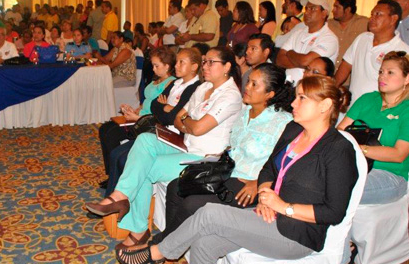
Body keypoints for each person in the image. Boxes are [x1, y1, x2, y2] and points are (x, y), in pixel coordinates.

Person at [116, 75, 357, 264]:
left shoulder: (338, 150)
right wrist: (265, 195)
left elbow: (334, 212)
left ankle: (158, 252)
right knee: (205, 243)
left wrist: (284, 207)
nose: (294, 103)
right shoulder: (294, 130)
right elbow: (268, 170)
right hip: (268, 214)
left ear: (325, 106)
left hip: (297, 234)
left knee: (210, 213)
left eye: (302, 98)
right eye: (296, 97)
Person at [86, 47, 243, 250]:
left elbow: (197, 126)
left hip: (205, 157)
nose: (205, 66)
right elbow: (179, 120)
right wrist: (187, 121)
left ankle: (138, 229)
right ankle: (120, 196)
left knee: (143, 168)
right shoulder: (203, 88)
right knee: (144, 140)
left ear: (227, 67)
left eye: (211, 62)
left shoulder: (230, 96)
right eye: (205, 62)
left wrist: (187, 121)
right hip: (186, 144)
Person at [150, 63, 294, 248]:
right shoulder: (244, 112)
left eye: (254, 85)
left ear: (270, 94)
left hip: (247, 183)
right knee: (176, 186)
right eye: (248, 81)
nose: (246, 87)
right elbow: (235, 146)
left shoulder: (283, 123)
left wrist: (259, 184)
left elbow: (285, 165)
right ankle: (168, 243)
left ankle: (162, 247)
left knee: (192, 203)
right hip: (227, 172)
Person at [337, 51, 409, 264]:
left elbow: (398, 154)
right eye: (381, 72)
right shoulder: (368, 100)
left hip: (389, 177)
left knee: (338, 189)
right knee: (325, 182)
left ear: (407, 79)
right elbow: (340, 133)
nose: (382, 77)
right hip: (354, 168)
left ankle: (340, 263)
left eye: (390, 72)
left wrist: (359, 149)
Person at [98, 48, 178, 195]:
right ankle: (112, 174)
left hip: (147, 123)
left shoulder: (170, 84)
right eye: (153, 65)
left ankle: (114, 181)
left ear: (167, 66)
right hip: (139, 116)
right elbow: (146, 102)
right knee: (105, 129)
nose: (153, 69)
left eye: (156, 66)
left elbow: (159, 111)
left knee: (112, 135)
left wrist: (137, 117)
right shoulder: (157, 80)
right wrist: (134, 110)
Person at [335, 0, 409, 104]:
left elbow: (405, 87)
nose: (372, 18)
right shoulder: (362, 38)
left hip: (379, 111)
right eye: (372, 14)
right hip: (354, 107)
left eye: (378, 14)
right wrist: (332, 88)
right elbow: (346, 65)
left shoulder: (402, 50)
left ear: (393, 19)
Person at [276, 0, 338, 84]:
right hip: (289, 87)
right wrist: (302, 62)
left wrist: (290, 52)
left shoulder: (329, 38)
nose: (307, 12)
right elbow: (279, 60)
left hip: (312, 90)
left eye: (312, 9)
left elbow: (305, 61)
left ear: (324, 13)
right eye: (306, 8)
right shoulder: (298, 33)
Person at [328, 0, 369, 66]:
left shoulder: (364, 23)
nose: (333, 10)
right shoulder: (328, 24)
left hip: (351, 71)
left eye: (337, 7)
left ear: (347, 10)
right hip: (330, 70)